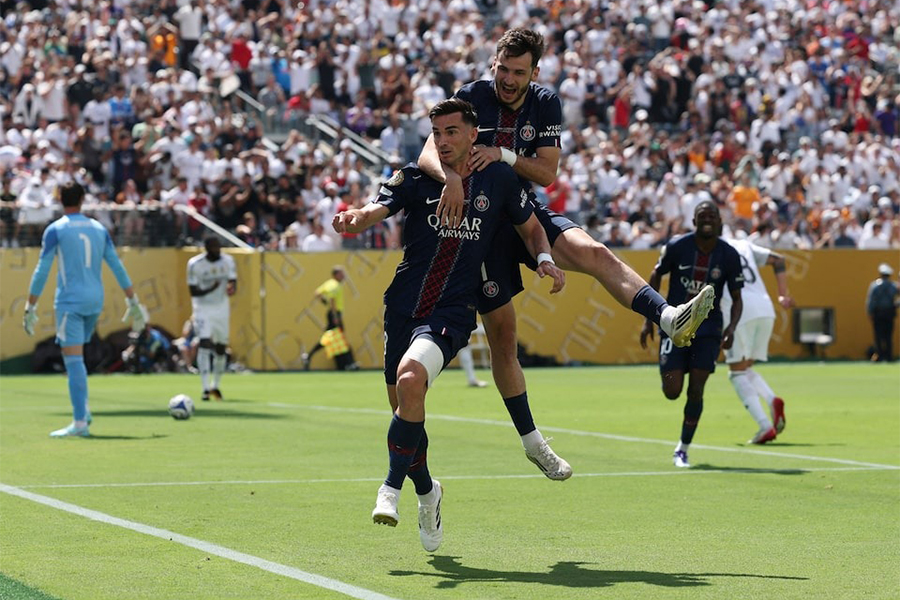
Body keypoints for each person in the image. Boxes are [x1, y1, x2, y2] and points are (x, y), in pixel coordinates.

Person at [418, 28, 714, 479]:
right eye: (503, 69)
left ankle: (668, 317)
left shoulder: (546, 102)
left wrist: (501, 154)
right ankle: (533, 442)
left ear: (534, 72)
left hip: (522, 211)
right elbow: (427, 153)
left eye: (519, 72)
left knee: (594, 252)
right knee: (503, 338)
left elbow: (547, 172)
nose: (509, 80)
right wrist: (453, 178)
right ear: (492, 65)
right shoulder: (472, 96)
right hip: (477, 224)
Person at [333, 98, 565, 552]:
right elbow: (376, 208)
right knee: (406, 410)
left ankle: (389, 488)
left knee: (411, 379)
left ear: (472, 134)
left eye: (451, 132)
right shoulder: (416, 177)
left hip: (451, 312)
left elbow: (532, 225)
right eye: (436, 133)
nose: (442, 141)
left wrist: (543, 258)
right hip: (402, 308)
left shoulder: (497, 179)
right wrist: (356, 218)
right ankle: (428, 492)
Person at [23, 182, 148, 437]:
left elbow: (42, 270)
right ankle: (84, 410)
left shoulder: (56, 230)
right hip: (95, 301)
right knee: (78, 357)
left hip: (70, 301)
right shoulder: (99, 228)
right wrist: (132, 300)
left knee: (73, 360)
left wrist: (30, 304)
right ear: (82, 199)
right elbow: (117, 266)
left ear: (60, 199)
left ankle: (80, 422)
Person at [640, 201, 743, 468]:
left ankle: (682, 449)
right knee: (672, 390)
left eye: (712, 216)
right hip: (673, 326)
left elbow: (737, 297)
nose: (707, 220)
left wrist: (731, 328)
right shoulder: (678, 246)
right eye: (702, 216)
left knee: (696, 390)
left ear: (720, 221)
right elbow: (655, 275)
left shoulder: (729, 255)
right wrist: (649, 318)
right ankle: (674, 365)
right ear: (694, 221)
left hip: (708, 331)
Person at [720, 238, 793, 444]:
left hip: (738, 310)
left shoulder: (711, 248)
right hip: (765, 308)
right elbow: (779, 260)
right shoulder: (744, 244)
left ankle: (764, 426)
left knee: (736, 373)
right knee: (745, 368)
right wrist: (782, 295)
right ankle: (772, 400)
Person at [187, 237, 237, 401]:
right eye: (214, 248)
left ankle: (216, 385)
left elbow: (233, 282)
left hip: (222, 308)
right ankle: (205, 388)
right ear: (206, 248)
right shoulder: (195, 264)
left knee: (221, 347)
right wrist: (211, 288)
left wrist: (231, 289)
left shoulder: (228, 261)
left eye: (218, 247)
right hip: (203, 308)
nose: (217, 250)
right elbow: (193, 291)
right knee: (205, 342)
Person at [301, 266, 359, 371]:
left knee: (328, 339)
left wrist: (323, 301)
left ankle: (309, 356)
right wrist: (335, 316)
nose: (343, 276)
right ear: (336, 275)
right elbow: (332, 300)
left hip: (332, 314)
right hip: (334, 314)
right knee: (340, 338)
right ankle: (350, 363)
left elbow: (317, 293)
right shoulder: (335, 285)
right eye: (341, 274)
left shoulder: (329, 283)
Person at [866, 263, 899, 362]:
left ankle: (879, 356)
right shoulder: (893, 286)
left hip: (878, 314)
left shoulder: (874, 286)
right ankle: (889, 356)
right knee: (888, 336)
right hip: (889, 313)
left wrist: (870, 312)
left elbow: (871, 301)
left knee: (878, 336)